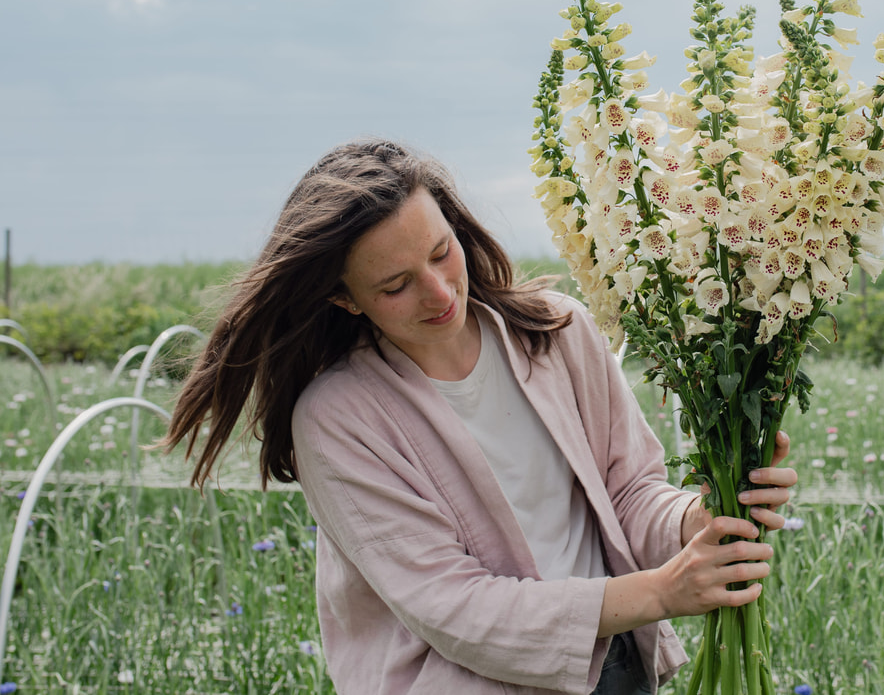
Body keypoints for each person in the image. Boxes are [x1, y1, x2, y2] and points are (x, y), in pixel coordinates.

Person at [161, 139, 798, 694]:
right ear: (343, 298)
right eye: (395, 285)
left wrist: (706, 515)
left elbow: (629, 492)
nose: (439, 293)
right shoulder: (338, 420)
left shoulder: (558, 332)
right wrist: (658, 594)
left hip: (611, 667)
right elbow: (455, 609)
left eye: (442, 253)